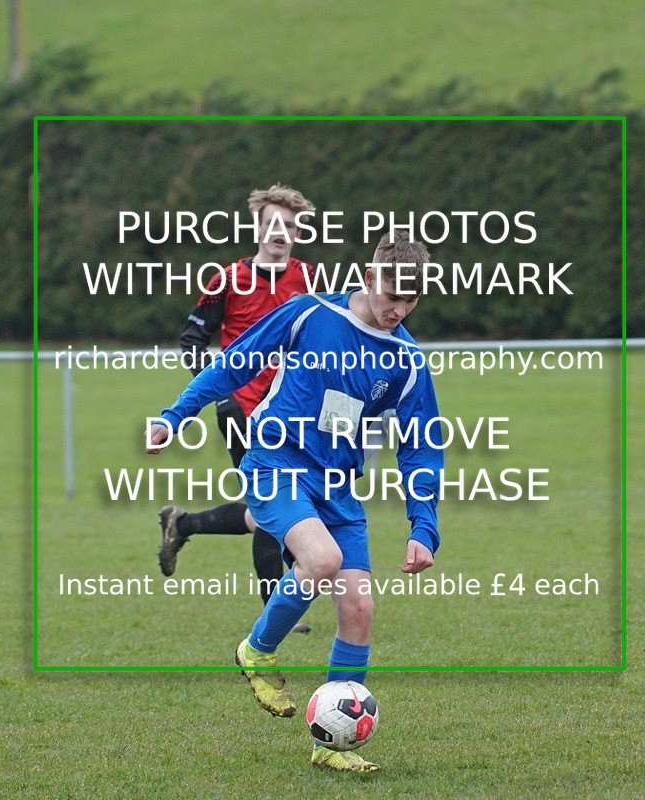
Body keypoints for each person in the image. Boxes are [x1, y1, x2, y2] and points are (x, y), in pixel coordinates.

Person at [147, 233, 443, 773]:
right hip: (276, 463)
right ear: (369, 276)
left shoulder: (406, 359)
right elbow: (235, 363)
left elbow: (422, 444)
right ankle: (256, 651)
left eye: (411, 301)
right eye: (391, 296)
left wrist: (423, 526)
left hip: (336, 486)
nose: (397, 310)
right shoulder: (311, 313)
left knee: (358, 608)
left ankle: (330, 748)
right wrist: (175, 414)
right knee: (322, 560)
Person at [157, 185, 316, 632]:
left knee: (266, 505)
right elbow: (192, 340)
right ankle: (276, 610)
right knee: (270, 506)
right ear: (257, 227)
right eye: (272, 223)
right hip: (241, 409)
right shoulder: (227, 279)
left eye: (289, 224)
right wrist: (217, 394)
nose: (280, 232)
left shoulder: (309, 279)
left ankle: (182, 523)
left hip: (290, 411)